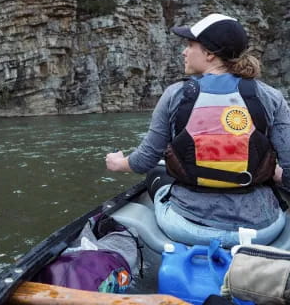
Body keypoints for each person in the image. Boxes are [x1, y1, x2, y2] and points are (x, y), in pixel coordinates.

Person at [106, 13, 290, 248]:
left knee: (156, 174)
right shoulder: (271, 97)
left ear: (210, 53)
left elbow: (144, 161)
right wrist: (275, 173)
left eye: (190, 45)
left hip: (188, 228)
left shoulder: (175, 94)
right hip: (261, 231)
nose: (184, 52)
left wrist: (118, 163)